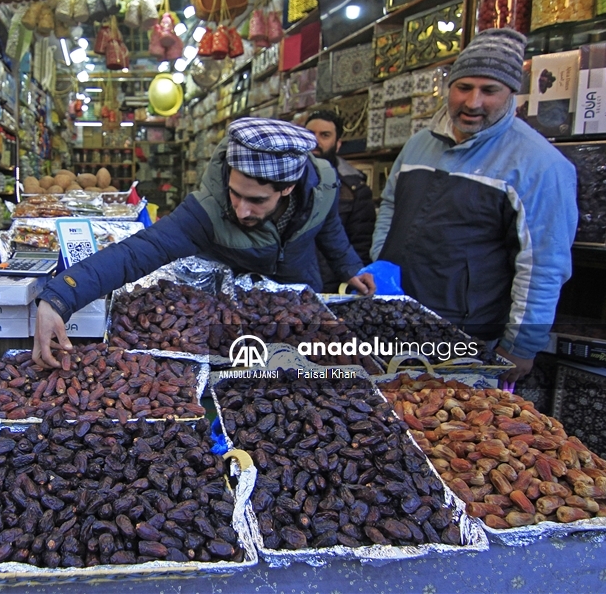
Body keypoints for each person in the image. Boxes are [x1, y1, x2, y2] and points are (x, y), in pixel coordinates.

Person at [33, 118, 376, 367]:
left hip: (298, 303)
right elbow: (136, 253)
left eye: (256, 200)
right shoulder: (207, 210)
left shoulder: (323, 186)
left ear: (288, 188)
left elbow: (327, 226)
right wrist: (59, 297)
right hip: (236, 321)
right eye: (235, 193)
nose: (241, 210)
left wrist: (349, 267)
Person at [371, 28, 578, 384]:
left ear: (511, 93)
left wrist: (521, 345)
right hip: (392, 318)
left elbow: (543, 265)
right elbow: (390, 206)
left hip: (465, 333)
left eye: (489, 90)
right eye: (464, 87)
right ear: (448, 87)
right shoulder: (419, 144)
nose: (473, 102)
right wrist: (380, 264)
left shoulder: (540, 165)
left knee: (444, 414)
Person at [304, 109, 376, 291]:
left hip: (332, 285)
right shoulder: (285, 180)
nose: (315, 141)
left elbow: (360, 243)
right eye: (310, 134)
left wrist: (353, 277)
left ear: (337, 144)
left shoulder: (354, 189)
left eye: (325, 135)